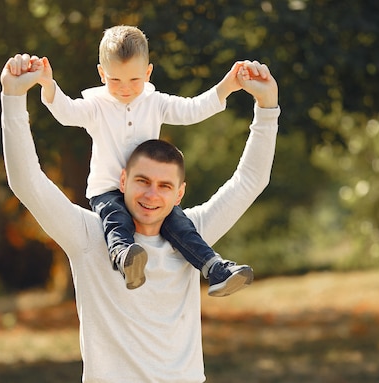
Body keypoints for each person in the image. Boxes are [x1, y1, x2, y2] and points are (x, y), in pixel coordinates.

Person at [0, 53, 279, 383]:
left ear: (179, 194)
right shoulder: (87, 235)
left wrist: (267, 107)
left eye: (164, 186)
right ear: (122, 182)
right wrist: (13, 97)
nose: (151, 195)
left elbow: (249, 181)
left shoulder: (193, 233)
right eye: (142, 182)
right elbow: (27, 182)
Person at [30, 25, 254, 296]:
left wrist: (227, 86)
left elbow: (192, 109)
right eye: (115, 81)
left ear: (148, 73)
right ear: (102, 74)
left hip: (148, 188)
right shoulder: (96, 106)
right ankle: (126, 259)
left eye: (134, 80)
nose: (125, 89)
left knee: (180, 225)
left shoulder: (155, 102)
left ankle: (216, 269)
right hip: (108, 189)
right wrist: (47, 84)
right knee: (117, 220)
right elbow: (66, 113)